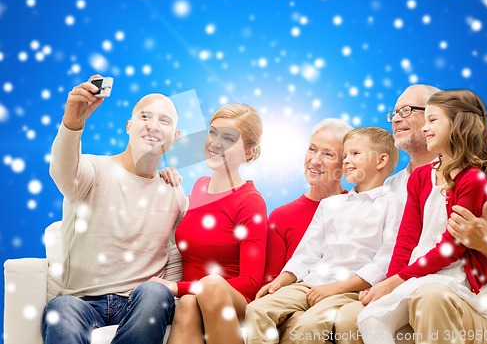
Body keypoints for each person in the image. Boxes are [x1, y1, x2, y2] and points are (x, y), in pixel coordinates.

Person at [42, 76, 187, 344]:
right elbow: (62, 172)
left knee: (156, 293)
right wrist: (73, 124)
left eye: (164, 121)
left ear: (175, 137)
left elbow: (176, 258)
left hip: (141, 303)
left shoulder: (175, 193)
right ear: (129, 126)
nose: (153, 126)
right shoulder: (93, 170)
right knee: (60, 311)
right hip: (80, 302)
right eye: (145, 117)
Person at [357, 89, 487, 344]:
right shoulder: (420, 178)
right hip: (416, 274)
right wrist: (390, 282)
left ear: (458, 126)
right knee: (371, 318)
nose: (425, 128)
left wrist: (396, 281)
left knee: (429, 299)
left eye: (433, 120)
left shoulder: (472, 180)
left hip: (453, 277)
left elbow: (451, 248)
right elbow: (406, 240)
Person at [245, 127, 403, 344]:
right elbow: (307, 253)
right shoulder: (330, 205)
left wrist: (334, 288)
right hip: (312, 283)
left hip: (350, 289)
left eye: (355, 154)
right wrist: (281, 281)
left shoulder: (394, 204)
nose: (346, 161)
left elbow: (384, 262)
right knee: (256, 310)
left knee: (307, 327)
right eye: (345, 155)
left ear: (381, 161)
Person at [153, 103, 268, 344]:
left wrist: (177, 288)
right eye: (213, 132)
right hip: (190, 300)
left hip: (228, 302)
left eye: (228, 138)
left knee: (209, 287)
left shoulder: (250, 202)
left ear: (249, 152)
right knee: (187, 305)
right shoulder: (199, 186)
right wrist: (160, 177)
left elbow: (250, 283)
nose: (215, 143)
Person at [260, 118, 352, 344]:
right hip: (295, 307)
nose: (315, 160)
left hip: (341, 304)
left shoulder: (360, 208)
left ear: (346, 164)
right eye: (312, 149)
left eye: (328, 154)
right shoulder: (282, 216)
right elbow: (272, 279)